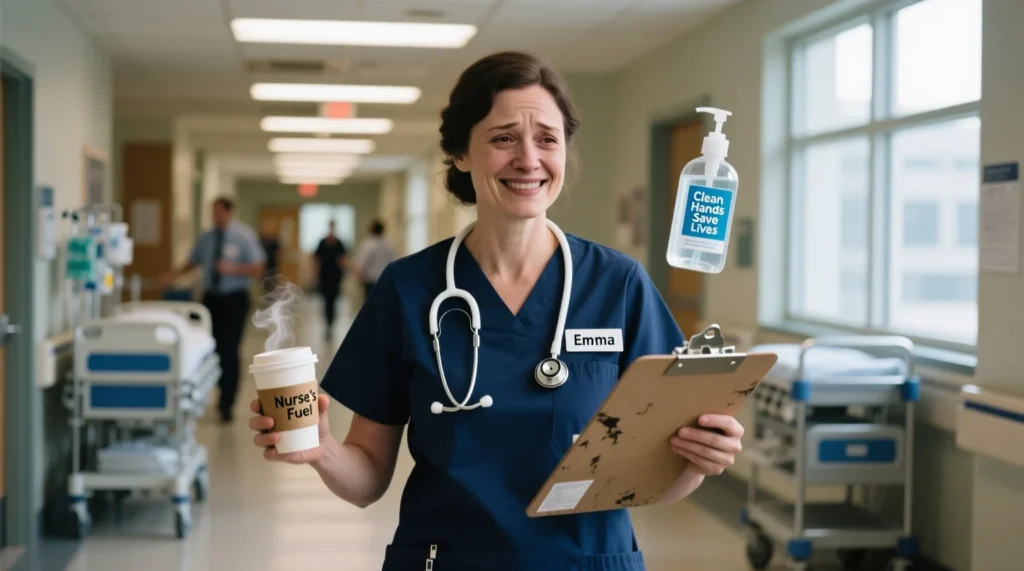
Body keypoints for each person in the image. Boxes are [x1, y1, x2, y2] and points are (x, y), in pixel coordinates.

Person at [248, 51, 744, 570]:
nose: (528, 159)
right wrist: (321, 448)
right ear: (462, 153)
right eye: (504, 137)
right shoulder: (409, 289)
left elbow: (656, 479)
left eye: (547, 139)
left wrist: (699, 461)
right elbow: (367, 479)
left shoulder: (617, 285)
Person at [162, 197, 264, 423]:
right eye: (213, 213)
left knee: (230, 350)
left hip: (234, 299)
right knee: (209, 347)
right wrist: (173, 276)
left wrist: (233, 268)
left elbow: (257, 268)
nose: (215, 217)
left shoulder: (244, 236)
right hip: (211, 299)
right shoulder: (207, 238)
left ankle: (227, 402)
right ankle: (209, 391)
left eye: (219, 212)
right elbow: (193, 261)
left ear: (229, 212)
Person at [312, 220, 348, 339]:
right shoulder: (322, 242)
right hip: (324, 276)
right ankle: (328, 324)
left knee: (333, 301)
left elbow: (343, 259)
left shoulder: (339, 243)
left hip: (336, 276)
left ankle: (331, 324)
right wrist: (313, 273)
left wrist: (345, 271)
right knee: (326, 301)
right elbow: (316, 259)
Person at [353, 219, 397, 299]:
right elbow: (394, 262)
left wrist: (359, 276)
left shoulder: (368, 244)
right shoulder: (388, 245)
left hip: (371, 282)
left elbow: (362, 263)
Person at [259, 220, 281, 295]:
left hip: (272, 267)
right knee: (263, 287)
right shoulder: (260, 240)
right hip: (262, 268)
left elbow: (279, 253)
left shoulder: (275, 240)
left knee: (273, 286)